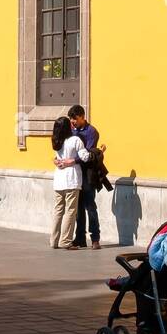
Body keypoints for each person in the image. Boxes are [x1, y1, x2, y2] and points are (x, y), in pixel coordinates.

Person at [68, 104, 108, 250]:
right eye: (71, 120)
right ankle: (79, 238)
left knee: (90, 206)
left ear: (82, 117)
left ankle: (95, 238)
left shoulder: (92, 132)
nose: (72, 122)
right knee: (78, 208)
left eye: (75, 119)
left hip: (88, 173)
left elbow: (88, 154)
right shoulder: (71, 130)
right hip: (75, 173)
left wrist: (73, 160)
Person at [50, 115, 90, 250]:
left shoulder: (56, 141)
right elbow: (85, 157)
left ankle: (54, 240)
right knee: (70, 211)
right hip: (71, 179)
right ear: (69, 127)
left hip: (59, 179)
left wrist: (57, 160)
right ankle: (65, 241)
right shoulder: (75, 140)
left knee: (58, 210)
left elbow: (57, 157)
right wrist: (97, 152)